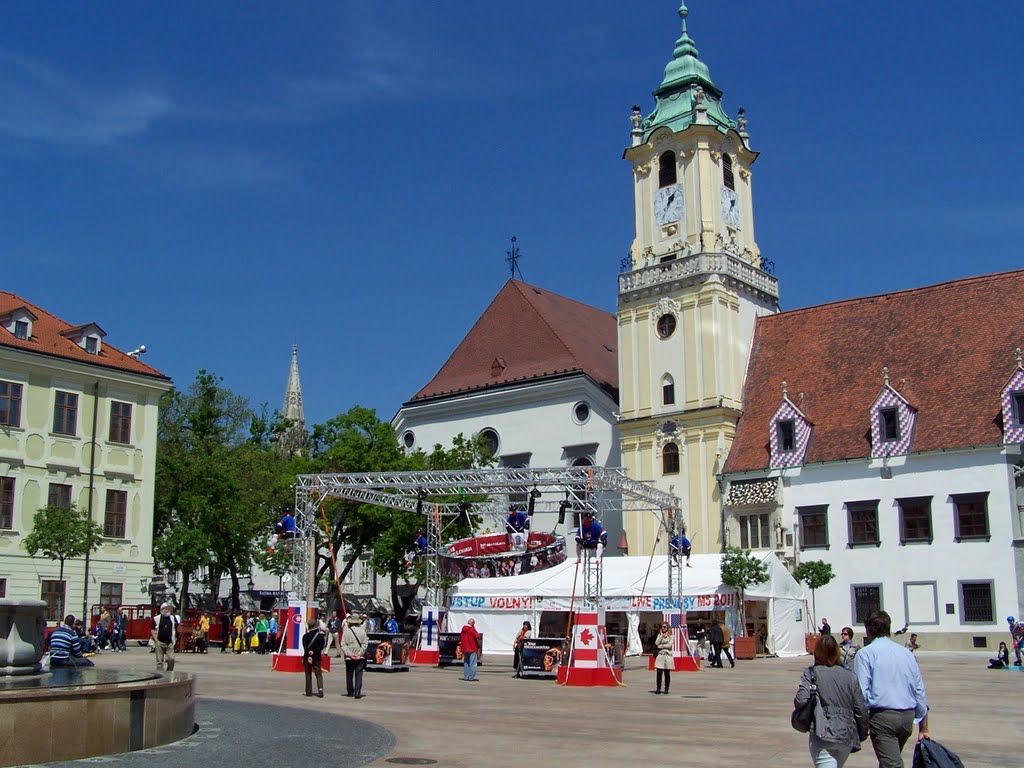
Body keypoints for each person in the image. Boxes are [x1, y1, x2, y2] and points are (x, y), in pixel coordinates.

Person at [855, 610, 930, 767]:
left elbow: (861, 692)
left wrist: (859, 724)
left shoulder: (865, 654)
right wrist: (924, 726)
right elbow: (919, 690)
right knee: (889, 760)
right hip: (907, 718)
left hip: (883, 718)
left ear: (868, 630)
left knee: (892, 764)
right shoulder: (906, 654)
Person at [793, 633, 869, 767]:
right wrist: (862, 733)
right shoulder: (851, 677)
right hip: (846, 735)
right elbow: (860, 708)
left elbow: (801, 700)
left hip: (823, 734)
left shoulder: (811, 673)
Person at [341, 613, 369, 698]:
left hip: (349, 658)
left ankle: (350, 691)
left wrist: (350, 654)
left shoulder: (346, 632)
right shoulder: (362, 632)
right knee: (358, 675)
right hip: (359, 657)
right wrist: (359, 653)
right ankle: (357, 691)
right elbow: (365, 644)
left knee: (349, 675)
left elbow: (343, 644)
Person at [301, 618, 326, 697]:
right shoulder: (321, 636)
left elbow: (305, 647)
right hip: (316, 657)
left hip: (307, 657)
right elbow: (321, 647)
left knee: (308, 674)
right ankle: (320, 689)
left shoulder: (305, 636)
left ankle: (308, 691)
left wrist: (309, 653)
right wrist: (314, 652)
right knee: (318, 674)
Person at [151, 603, 179, 672]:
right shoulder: (156, 618)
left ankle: (169, 671)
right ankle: (161, 675)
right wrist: (156, 640)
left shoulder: (172, 618)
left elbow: (176, 628)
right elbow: (152, 630)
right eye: (165, 609)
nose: (167, 610)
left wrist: (175, 638)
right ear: (161, 610)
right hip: (160, 642)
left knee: (171, 659)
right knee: (159, 661)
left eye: (168, 609)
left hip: (169, 642)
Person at [654, 622, 674, 694]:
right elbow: (656, 643)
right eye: (662, 627)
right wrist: (661, 636)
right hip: (660, 655)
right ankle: (658, 688)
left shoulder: (671, 636)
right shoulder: (659, 635)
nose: (663, 628)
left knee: (667, 673)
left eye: (665, 627)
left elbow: (669, 645)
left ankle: (666, 689)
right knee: (659, 672)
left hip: (667, 655)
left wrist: (661, 646)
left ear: (668, 628)